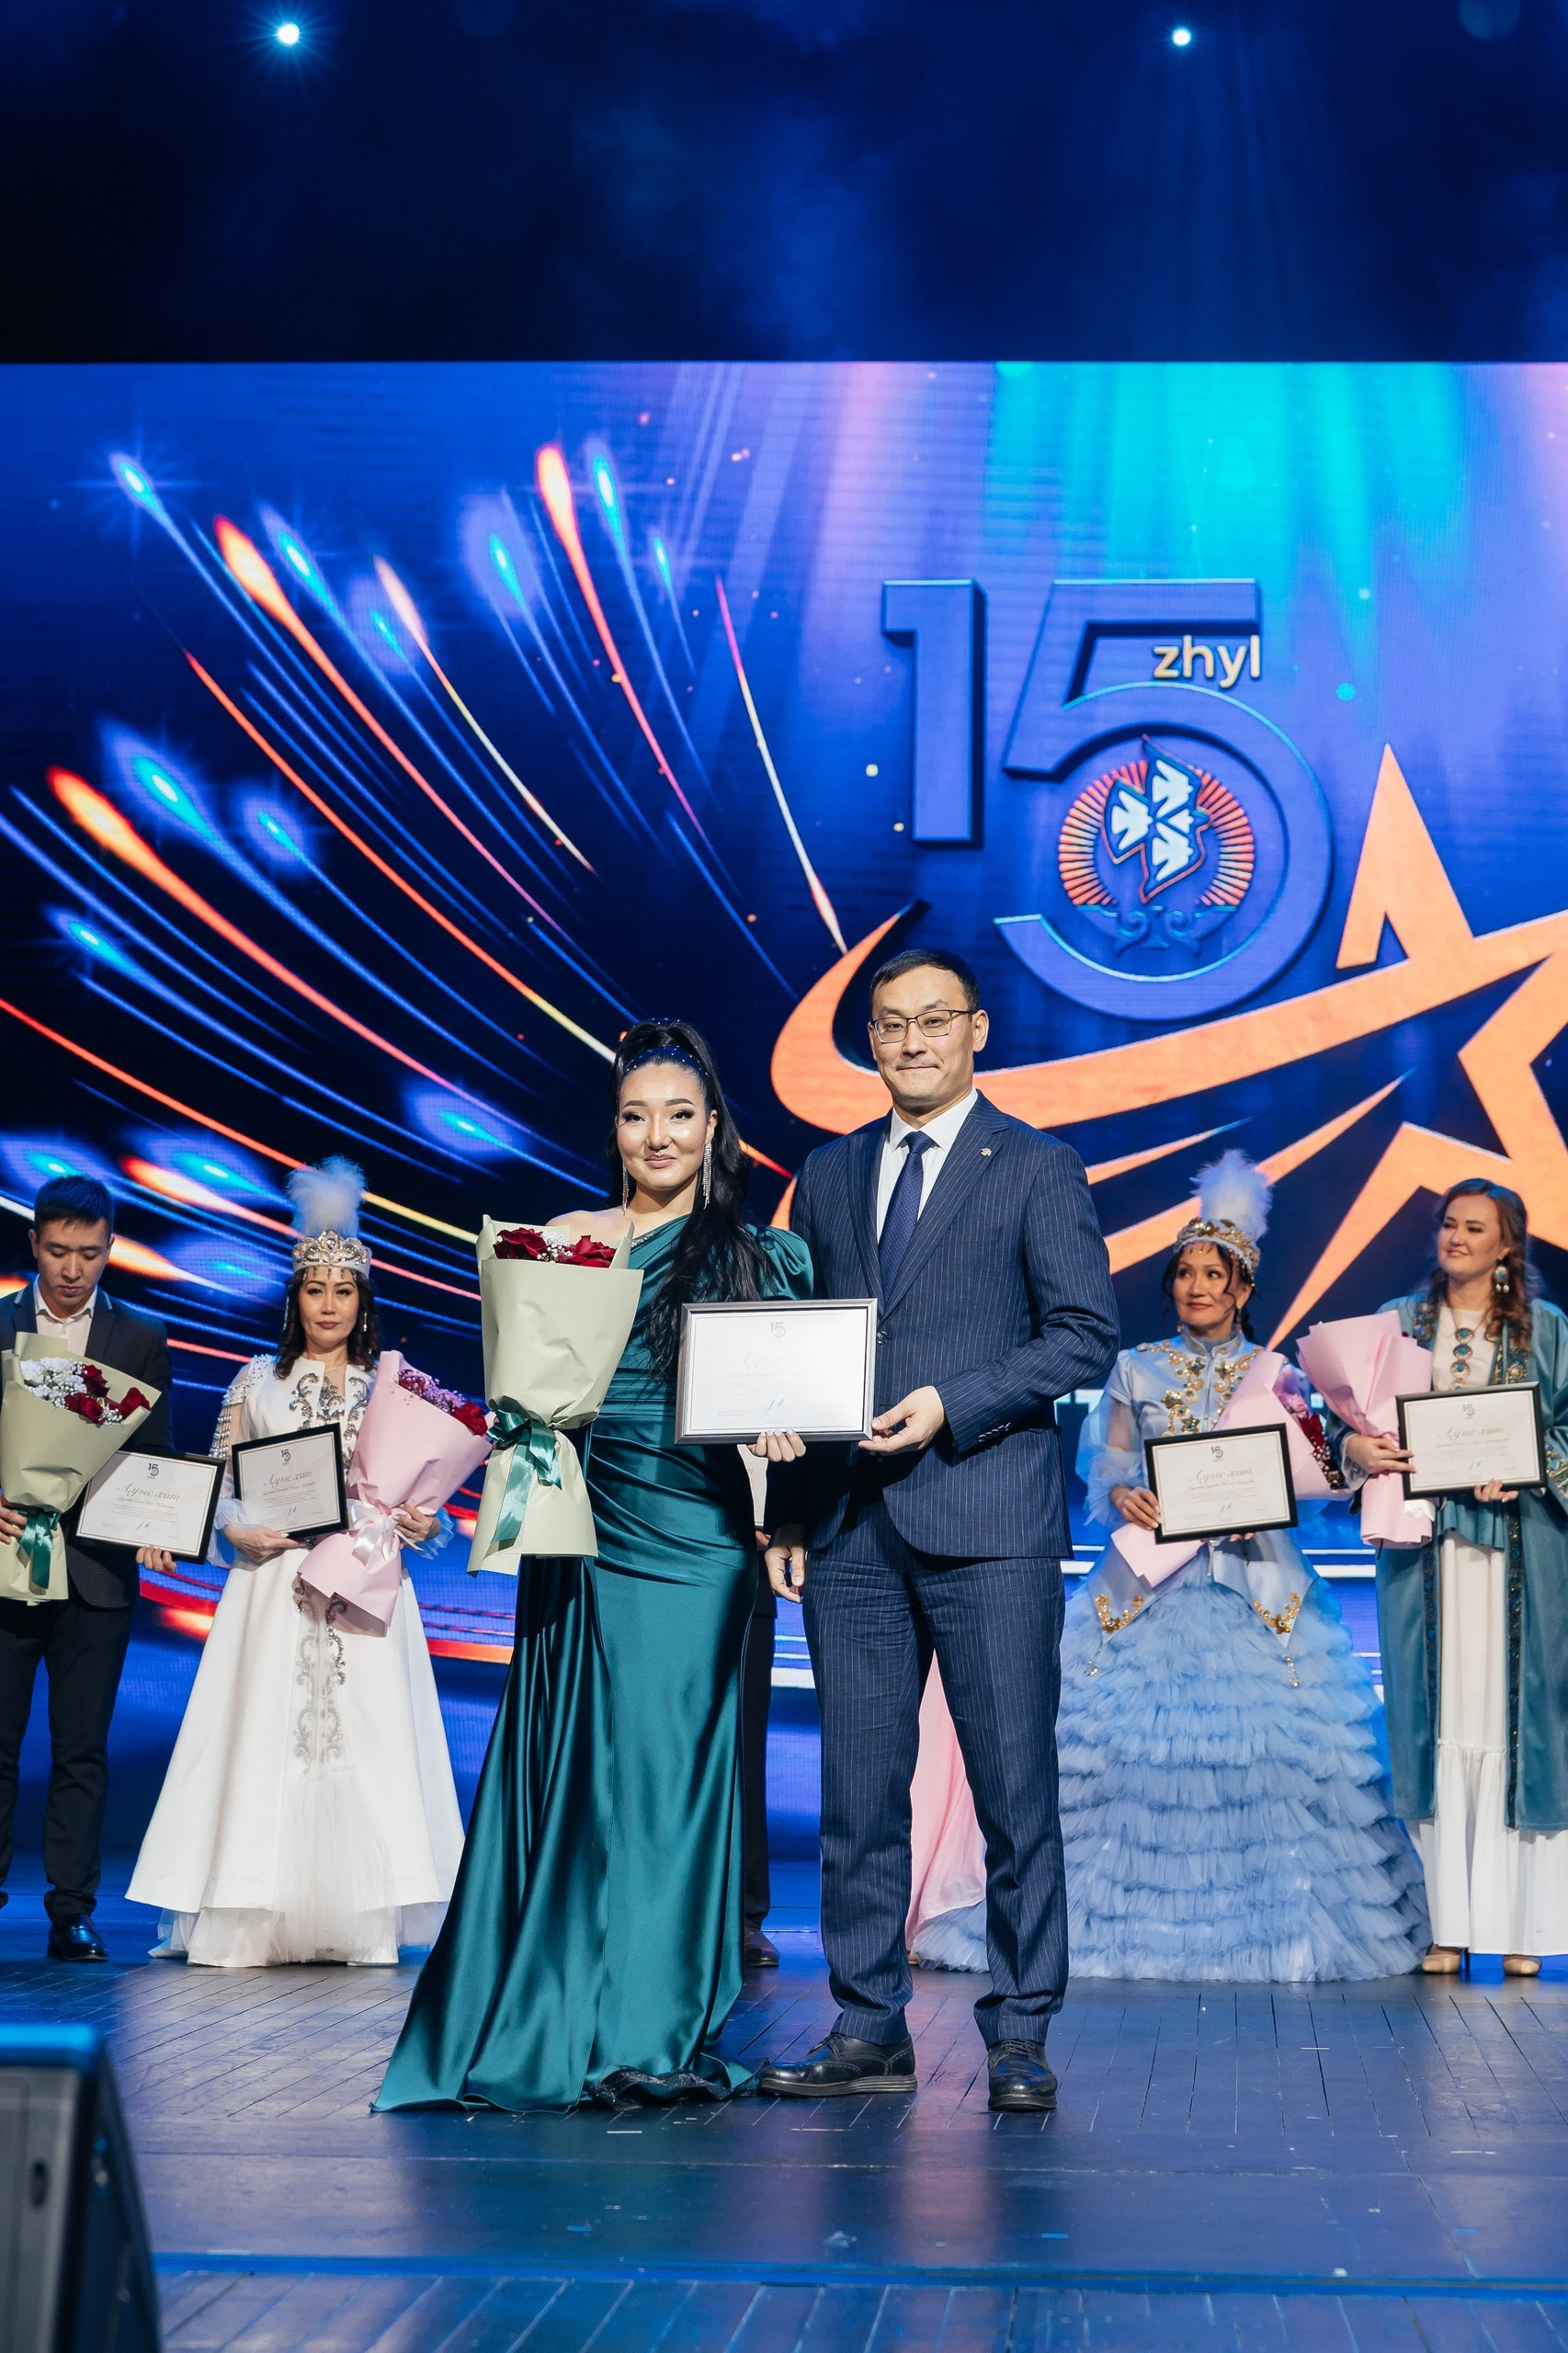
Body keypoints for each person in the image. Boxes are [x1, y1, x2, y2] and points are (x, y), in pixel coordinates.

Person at [376, 1018, 812, 2111]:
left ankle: (650, 2026)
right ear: (613, 1130)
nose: (656, 1135)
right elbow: (523, 1396)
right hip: (580, 1526)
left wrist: (782, 1449)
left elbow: (785, 1400)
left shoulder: (754, 1255)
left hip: (696, 1537)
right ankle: (556, 2007)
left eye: (678, 1115)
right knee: (575, 1773)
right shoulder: (561, 1241)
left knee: (670, 1777)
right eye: (635, 1116)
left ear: (712, 1127)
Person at [909, 1153, 1428, 1983]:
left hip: (1254, 1581)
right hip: (1151, 1582)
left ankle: (1277, 1933)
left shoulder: (1281, 1377)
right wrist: (1125, 1497)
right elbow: (1107, 1466)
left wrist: (1344, 1461)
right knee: (1108, 1758)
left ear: (1243, 1288)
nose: (1195, 1287)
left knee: (1276, 1759)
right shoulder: (1134, 1367)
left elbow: (1321, 1471)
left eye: (1213, 1274)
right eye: (1184, 1273)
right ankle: (1074, 1929)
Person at [758, 948, 1119, 2114]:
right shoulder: (826, 1171)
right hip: (851, 1527)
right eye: (888, 1024)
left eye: (932, 1021)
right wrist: (787, 1500)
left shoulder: (1037, 1166)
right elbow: (805, 1343)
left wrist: (952, 1403)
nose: (909, 1042)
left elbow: (1082, 1334)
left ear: (975, 1031)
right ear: (868, 1039)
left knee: (1014, 1791)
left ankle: (1019, 2030)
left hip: (988, 1518)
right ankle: (867, 2024)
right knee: (858, 1796)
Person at [126, 1159, 462, 1966]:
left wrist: (425, 1523)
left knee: (366, 1739)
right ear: (295, 1298)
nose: (330, 1305)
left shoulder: (398, 1388)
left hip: (366, 1583)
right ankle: (251, 1915)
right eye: (316, 1290)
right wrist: (234, 1529)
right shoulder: (256, 1381)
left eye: (344, 1291)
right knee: (264, 1739)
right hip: (272, 1585)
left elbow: (433, 1509)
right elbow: (219, 1488)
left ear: (363, 1300)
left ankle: (360, 1922)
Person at [1335, 1179, 1568, 1976]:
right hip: (1423, 1554)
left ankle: (1524, 1927)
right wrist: (1357, 1448)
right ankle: (1450, 1926)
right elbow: (1344, 1424)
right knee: (1435, 1723)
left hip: (1522, 1553)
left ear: (1508, 1245)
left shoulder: (1548, 1330)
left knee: (1518, 1723)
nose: (1457, 1237)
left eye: (1475, 1227)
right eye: (1448, 1224)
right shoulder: (1398, 1323)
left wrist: (1529, 1464)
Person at [0, 1174, 173, 1961]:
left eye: (91, 1254)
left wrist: (159, 1524)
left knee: (81, 1750)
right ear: (34, 1244)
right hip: (8, 1562)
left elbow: (156, 1455)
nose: (73, 1269)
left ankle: (72, 1911)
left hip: (97, 1574)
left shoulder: (139, 1336)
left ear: (110, 1251)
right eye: (59, 1251)